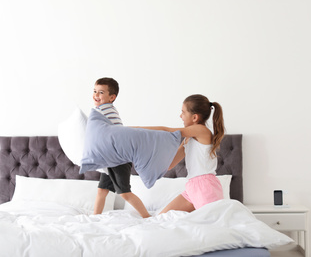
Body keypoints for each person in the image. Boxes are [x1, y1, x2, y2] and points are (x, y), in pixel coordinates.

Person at [137, 94, 225, 214]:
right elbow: (169, 164)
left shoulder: (202, 131)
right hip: (192, 188)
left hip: (205, 188)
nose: (180, 116)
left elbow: (167, 131)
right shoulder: (188, 140)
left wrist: (135, 130)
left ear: (195, 117)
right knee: (162, 217)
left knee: (212, 225)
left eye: (183, 112)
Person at [92, 77, 150, 218]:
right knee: (102, 191)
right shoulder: (104, 110)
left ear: (112, 97)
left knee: (124, 192)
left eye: (101, 92)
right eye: (94, 91)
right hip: (110, 159)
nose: (96, 95)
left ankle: (147, 217)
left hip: (119, 159)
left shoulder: (105, 110)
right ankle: (94, 217)